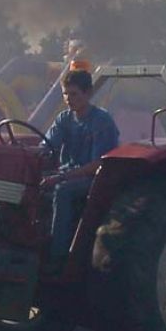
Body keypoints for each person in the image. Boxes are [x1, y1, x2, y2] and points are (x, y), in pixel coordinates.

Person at [41, 69, 119, 272]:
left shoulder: (101, 121)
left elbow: (98, 164)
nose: (69, 99)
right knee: (33, 183)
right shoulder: (64, 119)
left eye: (74, 94)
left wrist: (61, 177)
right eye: (65, 94)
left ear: (88, 93)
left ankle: (58, 256)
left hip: (94, 179)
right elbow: (46, 147)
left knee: (62, 191)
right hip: (68, 173)